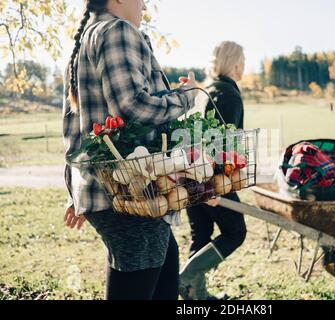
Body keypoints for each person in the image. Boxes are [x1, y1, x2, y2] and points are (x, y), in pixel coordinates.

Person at [62, 0, 198, 300]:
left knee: (163, 277)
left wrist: (77, 191)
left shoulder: (88, 36)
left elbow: (72, 129)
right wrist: (185, 98)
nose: (145, 6)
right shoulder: (116, 31)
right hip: (130, 192)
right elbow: (132, 105)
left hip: (118, 194)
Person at [179, 41, 247, 300]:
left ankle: (195, 295)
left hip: (189, 171)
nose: (244, 64)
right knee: (235, 232)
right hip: (210, 177)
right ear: (236, 62)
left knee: (202, 235)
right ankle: (184, 278)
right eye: (243, 59)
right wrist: (214, 186)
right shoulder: (228, 94)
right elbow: (220, 142)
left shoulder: (209, 90)